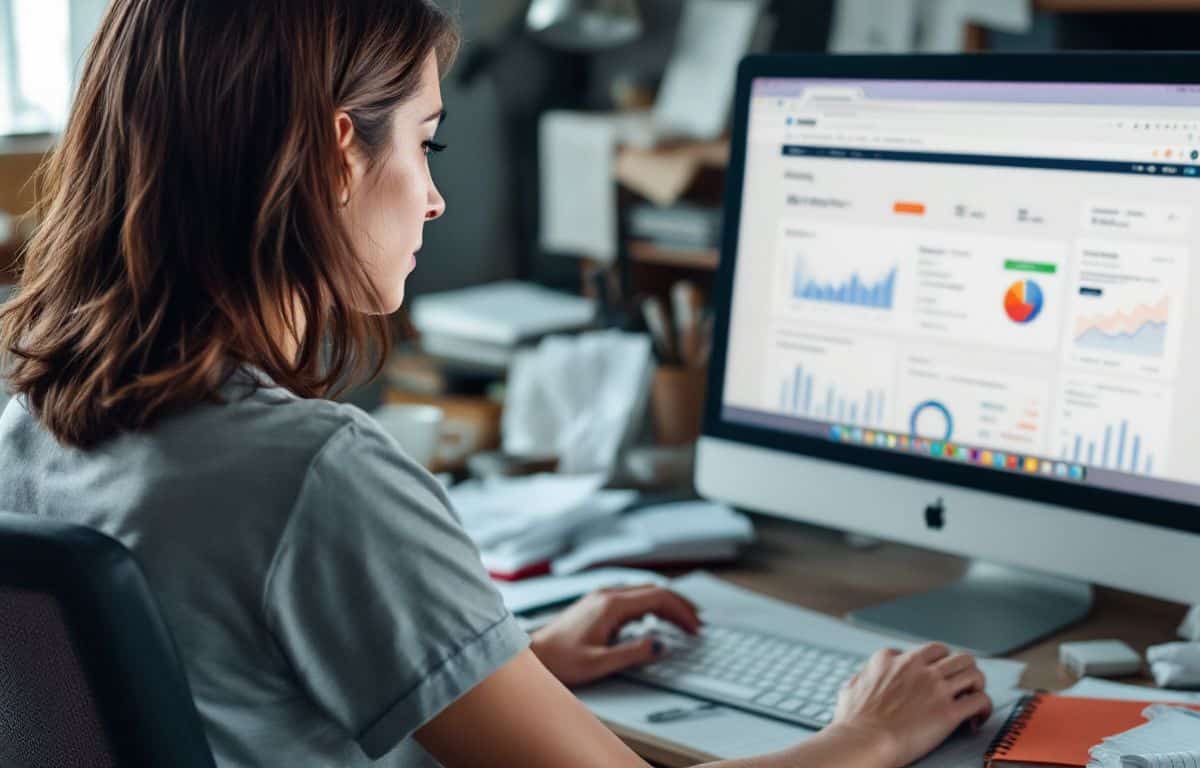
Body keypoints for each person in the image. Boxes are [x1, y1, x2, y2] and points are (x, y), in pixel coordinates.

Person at [0, 1, 991, 766]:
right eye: (424, 142)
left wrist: (498, 661)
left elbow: (220, 682)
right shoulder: (314, 475)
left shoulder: (28, 425)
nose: (433, 197)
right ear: (339, 154)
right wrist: (867, 736)